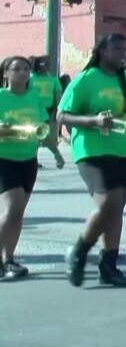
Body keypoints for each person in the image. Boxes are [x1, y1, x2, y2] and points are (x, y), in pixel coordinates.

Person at [58, 33, 126, 287]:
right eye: (118, 49)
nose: (124, 53)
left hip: (125, 149)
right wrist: (94, 121)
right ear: (102, 51)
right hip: (92, 150)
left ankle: (108, 265)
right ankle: (78, 251)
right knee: (108, 203)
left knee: (116, 208)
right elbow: (62, 117)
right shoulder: (85, 80)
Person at [0, 55, 46, 278]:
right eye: (17, 69)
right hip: (4, 159)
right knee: (12, 209)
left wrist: (54, 150)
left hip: (28, 159)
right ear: (6, 74)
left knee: (18, 212)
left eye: (26, 69)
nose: (23, 72)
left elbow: (43, 125)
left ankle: (8, 258)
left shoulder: (34, 96)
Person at [28, 55, 65, 170]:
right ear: (38, 65)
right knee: (33, 136)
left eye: (48, 64)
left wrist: (57, 109)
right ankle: (32, 159)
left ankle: (34, 159)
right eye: (44, 64)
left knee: (41, 136)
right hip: (31, 110)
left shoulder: (53, 79)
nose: (47, 66)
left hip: (47, 110)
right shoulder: (30, 79)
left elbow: (57, 95)